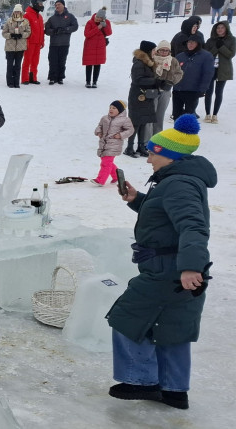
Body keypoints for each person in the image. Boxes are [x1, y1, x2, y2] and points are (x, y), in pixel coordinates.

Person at [108, 113, 214, 411]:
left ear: (169, 156)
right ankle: (174, 390)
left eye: (152, 153)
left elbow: (193, 226)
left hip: (169, 269)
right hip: (172, 267)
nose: (148, 159)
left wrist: (190, 266)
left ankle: (142, 381)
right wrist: (137, 199)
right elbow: (167, 216)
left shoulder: (178, 184)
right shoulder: (177, 180)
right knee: (172, 327)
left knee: (128, 316)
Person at [126, 41, 161, 158]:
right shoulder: (139, 64)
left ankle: (140, 146)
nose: (155, 52)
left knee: (143, 122)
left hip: (146, 96)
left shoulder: (148, 63)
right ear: (148, 51)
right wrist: (155, 81)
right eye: (153, 50)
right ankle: (129, 147)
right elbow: (138, 80)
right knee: (135, 123)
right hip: (138, 96)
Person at [173, 34, 214, 119]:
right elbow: (173, 72)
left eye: (193, 42)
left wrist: (203, 89)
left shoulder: (206, 56)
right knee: (176, 115)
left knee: (189, 116)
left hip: (193, 90)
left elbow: (207, 74)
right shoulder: (180, 56)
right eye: (189, 42)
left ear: (198, 44)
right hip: (178, 90)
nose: (190, 44)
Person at [93, 100, 134, 185]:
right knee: (107, 162)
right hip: (103, 143)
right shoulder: (105, 118)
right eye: (110, 107)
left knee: (106, 163)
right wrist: (98, 132)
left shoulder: (124, 120)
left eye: (114, 108)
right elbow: (99, 126)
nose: (111, 109)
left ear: (120, 110)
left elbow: (130, 130)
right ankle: (116, 176)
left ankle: (100, 180)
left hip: (114, 145)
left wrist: (120, 135)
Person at [150, 41, 184, 135]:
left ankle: (157, 136)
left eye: (166, 50)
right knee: (151, 114)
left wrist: (171, 81)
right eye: (162, 50)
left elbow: (179, 73)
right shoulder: (152, 60)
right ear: (158, 50)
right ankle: (147, 137)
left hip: (165, 91)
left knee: (160, 115)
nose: (164, 52)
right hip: (153, 89)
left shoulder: (173, 61)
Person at [203, 21, 234, 123]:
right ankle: (207, 114)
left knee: (219, 92)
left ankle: (215, 115)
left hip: (223, 69)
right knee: (209, 91)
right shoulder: (210, 40)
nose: (220, 30)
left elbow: (230, 54)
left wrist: (221, 47)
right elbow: (206, 55)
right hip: (210, 69)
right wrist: (216, 47)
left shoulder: (232, 40)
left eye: (222, 27)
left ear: (226, 29)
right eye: (218, 28)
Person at [44, 0, 78, 85]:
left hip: (64, 43)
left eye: (59, 4)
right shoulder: (52, 18)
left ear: (63, 5)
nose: (57, 6)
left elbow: (75, 26)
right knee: (52, 61)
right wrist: (54, 31)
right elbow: (46, 30)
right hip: (54, 44)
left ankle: (60, 78)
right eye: (56, 5)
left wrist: (66, 29)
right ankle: (52, 78)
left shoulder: (70, 16)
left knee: (62, 61)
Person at [2, 4, 30, 88]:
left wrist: (22, 35)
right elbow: (4, 33)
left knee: (18, 66)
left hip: (20, 47)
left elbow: (28, 32)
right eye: (15, 11)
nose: (17, 13)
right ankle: (10, 82)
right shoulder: (9, 21)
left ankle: (16, 82)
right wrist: (11, 35)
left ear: (21, 12)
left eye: (18, 11)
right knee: (10, 65)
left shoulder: (25, 21)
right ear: (13, 12)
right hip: (10, 47)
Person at [82, 8, 111, 88]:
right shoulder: (90, 22)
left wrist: (105, 26)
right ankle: (88, 81)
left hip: (100, 46)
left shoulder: (106, 22)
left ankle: (95, 82)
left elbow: (109, 33)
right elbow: (87, 34)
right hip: (90, 46)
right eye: (97, 17)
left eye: (100, 18)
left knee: (97, 64)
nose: (98, 19)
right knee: (89, 64)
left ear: (103, 18)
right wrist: (97, 28)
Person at [21, 0, 44, 84]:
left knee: (35, 61)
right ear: (35, 4)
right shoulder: (27, 15)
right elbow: (23, 30)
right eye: (40, 3)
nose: (41, 5)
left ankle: (33, 78)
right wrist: (26, 41)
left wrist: (42, 41)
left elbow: (42, 30)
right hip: (30, 42)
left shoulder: (40, 17)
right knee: (27, 61)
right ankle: (25, 79)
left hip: (38, 43)